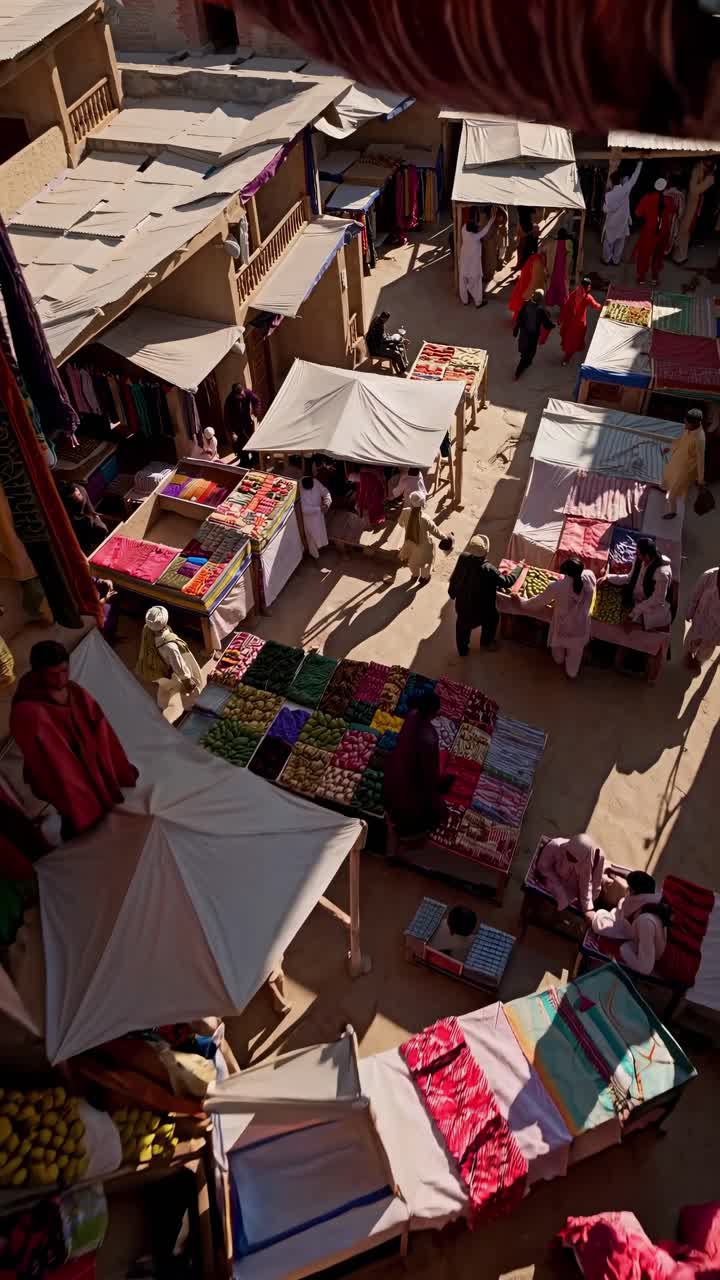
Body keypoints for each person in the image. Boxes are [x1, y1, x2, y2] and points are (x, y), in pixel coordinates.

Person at [10, 640, 138, 840]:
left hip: (88, 757)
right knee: (75, 808)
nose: (61, 679)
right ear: (38, 673)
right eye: (53, 674)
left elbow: (98, 722)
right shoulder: (28, 711)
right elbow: (44, 757)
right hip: (60, 766)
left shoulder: (73, 690)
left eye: (64, 671)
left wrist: (109, 761)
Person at [383, 690, 453, 837]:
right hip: (410, 781)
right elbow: (429, 771)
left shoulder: (412, 715)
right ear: (434, 713)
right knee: (432, 808)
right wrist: (441, 782)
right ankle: (407, 837)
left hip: (395, 769)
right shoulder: (429, 735)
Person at [519, 556, 596, 678]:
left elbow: (537, 602)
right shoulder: (589, 577)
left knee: (558, 655)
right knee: (574, 660)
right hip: (581, 627)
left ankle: (560, 661)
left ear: (565, 572)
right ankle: (571, 674)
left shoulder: (556, 586)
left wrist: (521, 602)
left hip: (562, 627)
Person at [448, 534, 521, 654]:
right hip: (481, 611)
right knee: (493, 617)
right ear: (486, 552)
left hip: (463, 607)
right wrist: (519, 568)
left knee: (462, 627)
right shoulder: (489, 569)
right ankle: (486, 643)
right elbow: (507, 582)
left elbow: (455, 577)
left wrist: (452, 593)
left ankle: (462, 650)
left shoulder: (463, 557)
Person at [591, 870, 671, 976]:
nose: (627, 891)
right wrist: (613, 870)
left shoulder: (645, 921)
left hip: (656, 959)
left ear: (632, 892)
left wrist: (625, 950)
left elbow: (644, 968)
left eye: (629, 888)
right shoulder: (650, 897)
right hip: (642, 942)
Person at [135, 606, 204, 711]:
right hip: (168, 672)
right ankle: (186, 706)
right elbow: (178, 664)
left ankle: (162, 704)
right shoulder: (170, 645)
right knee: (177, 687)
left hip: (156, 669)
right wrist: (187, 679)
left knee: (164, 687)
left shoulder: (147, 629)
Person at [601, 535, 672, 631]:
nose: (636, 556)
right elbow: (629, 578)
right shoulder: (640, 560)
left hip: (653, 610)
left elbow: (657, 600)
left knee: (630, 629)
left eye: (638, 554)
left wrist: (634, 612)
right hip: (638, 603)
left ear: (647, 555)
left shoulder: (662, 573)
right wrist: (608, 578)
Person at [537, 833, 607, 918]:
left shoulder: (589, 861)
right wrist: (557, 883)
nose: (570, 859)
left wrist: (585, 907)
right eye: (568, 854)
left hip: (572, 893)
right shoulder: (555, 846)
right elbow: (543, 867)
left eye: (574, 859)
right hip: (553, 882)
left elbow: (588, 885)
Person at [663, 407, 707, 518]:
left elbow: (701, 460)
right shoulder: (689, 430)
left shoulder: (699, 439)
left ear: (695, 424)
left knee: (672, 494)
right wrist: (670, 448)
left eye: (687, 423)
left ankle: (673, 512)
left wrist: (700, 480)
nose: (685, 425)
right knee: (669, 479)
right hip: (677, 461)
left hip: (685, 470)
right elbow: (681, 441)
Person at [397, 492, 450, 584]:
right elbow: (435, 531)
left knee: (412, 562)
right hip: (424, 546)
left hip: (410, 543)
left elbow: (400, 524)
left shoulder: (405, 511)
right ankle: (424, 578)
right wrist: (445, 537)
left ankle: (415, 575)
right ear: (422, 503)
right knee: (425, 564)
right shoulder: (425, 518)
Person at [673, 158, 716, 263]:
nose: (711, 162)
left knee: (686, 230)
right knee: (684, 230)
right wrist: (708, 182)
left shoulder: (705, 169)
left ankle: (681, 255)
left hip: (695, 205)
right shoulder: (697, 169)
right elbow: (694, 190)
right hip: (690, 205)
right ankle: (679, 256)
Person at [633, 178, 674, 284]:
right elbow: (674, 211)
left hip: (649, 232)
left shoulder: (647, 198)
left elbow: (638, 213)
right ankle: (654, 278)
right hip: (663, 232)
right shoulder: (669, 200)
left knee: (644, 255)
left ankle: (641, 278)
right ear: (665, 188)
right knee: (658, 256)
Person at [601, 160, 642, 264]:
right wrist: (640, 164)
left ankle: (606, 259)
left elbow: (605, 209)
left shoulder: (609, 195)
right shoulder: (626, 189)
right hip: (622, 223)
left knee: (608, 243)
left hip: (611, 223)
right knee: (620, 243)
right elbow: (634, 178)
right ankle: (616, 261)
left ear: (612, 181)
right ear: (620, 180)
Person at [683, 565, 720, 675]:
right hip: (701, 618)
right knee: (692, 640)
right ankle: (688, 655)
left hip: (716, 626)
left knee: (707, 647)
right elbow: (695, 595)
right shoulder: (709, 575)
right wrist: (690, 612)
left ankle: (698, 661)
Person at [513, 288, 555, 379]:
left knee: (525, 349)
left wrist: (516, 329)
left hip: (524, 332)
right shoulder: (541, 310)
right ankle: (518, 372)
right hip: (533, 335)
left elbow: (520, 317)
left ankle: (525, 362)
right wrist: (552, 325)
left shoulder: (526, 303)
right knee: (529, 352)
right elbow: (547, 324)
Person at [559, 277, 602, 366]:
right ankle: (566, 359)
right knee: (574, 342)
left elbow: (566, 307)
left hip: (570, 322)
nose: (590, 288)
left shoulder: (574, 293)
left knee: (569, 340)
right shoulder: (587, 297)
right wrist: (604, 305)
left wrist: (561, 319)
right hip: (579, 324)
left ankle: (566, 357)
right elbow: (596, 306)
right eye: (589, 286)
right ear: (587, 287)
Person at [58, 482, 108, 556]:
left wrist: (94, 515)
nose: (79, 498)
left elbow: (89, 506)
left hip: (87, 516)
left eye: (79, 494)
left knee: (102, 528)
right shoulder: (63, 504)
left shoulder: (82, 489)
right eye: (75, 498)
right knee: (84, 544)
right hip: (75, 522)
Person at [458, 207, 494, 306]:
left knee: (463, 282)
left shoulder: (464, 230)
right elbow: (485, 230)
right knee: (476, 284)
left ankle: (465, 301)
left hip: (464, 262)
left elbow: (470, 224)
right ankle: (478, 302)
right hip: (473, 265)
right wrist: (492, 219)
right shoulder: (475, 237)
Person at [508, 235, 546, 323]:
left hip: (527, 287)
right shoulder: (537, 261)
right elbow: (535, 280)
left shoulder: (535, 259)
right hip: (529, 291)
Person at [223, 383, 261, 458]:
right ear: (235, 395)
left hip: (247, 421)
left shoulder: (247, 393)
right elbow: (227, 418)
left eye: (242, 393)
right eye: (240, 395)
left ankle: (255, 457)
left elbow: (256, 401)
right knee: (241, 444)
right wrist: (232, 432)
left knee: (251, 440)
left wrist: (256, 410)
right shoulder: (229, 401)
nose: (242, 396)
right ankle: (244, 460)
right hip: (237, 425)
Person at [300, 474, 332, 558]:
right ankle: (315, 556)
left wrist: (327, 503)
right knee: (311, 537)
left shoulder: (315, 482)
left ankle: (322, 548)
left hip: (319, 516)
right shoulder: (298, 488)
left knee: (321, 533)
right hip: (308, 518)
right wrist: (318, 509)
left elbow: (325, 492)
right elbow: (303, 508)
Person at [366, 311, 407, 375]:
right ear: (384, 318)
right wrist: (394, 340)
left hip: (375, 345)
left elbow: (380, 337)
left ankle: (398, 369)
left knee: (394, 348)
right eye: (386, 319)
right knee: (397, 354)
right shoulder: (379, 326)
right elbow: (383, 340)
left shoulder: (377, 318)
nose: (386, 321)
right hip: (376, 349)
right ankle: (403, 370)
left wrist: (388, 337)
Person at [544, 228, 572, 308]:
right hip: (563, 272)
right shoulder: (568, 243)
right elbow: (571, 257)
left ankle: (549, 306)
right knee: (563, 290)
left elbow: (542, 251)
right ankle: (563, 308)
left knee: (551, 288)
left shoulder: (551, 243)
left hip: (551, 271)